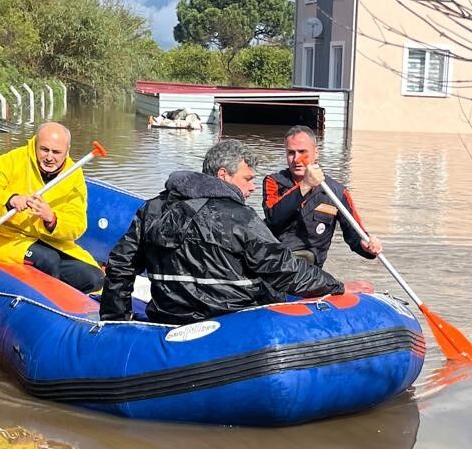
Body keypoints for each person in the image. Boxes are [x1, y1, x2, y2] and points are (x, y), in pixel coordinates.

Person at [98, 139, 343, 325]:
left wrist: (115, 320)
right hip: (231, 324)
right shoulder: (241, 218)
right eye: (247, 178)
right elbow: (283, 269)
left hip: (168, 318)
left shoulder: (154, 208)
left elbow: (121, 264)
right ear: (223, 176)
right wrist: (336, 286)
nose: (252, 187)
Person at [0, 123, 102, 293]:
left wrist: (52, 219)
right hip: (6, 239)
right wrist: (10, 200)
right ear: (36, 144)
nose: (49, 157)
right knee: (47, 260)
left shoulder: (74, 174)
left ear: (67, 151)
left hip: (50, 242)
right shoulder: (13, 160)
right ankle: (47, 304)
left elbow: (77, 225)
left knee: (94, 278)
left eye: (56, 152)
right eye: (44, 149)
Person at [263, 127, 382, 267]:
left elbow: (354, 234)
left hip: (311, 270)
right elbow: (273, 218)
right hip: (277, 264)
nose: (296, 159)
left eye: (302, 152)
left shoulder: (337, 192)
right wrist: (304, 186)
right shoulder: (274, 182)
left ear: (316, 153)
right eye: (290, 153)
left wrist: (366, 245)